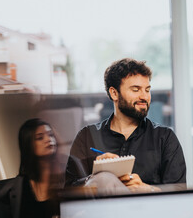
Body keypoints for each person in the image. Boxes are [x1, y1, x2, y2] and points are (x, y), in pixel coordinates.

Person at [65, 58, 186, 192]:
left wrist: (147, 189)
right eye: (136, 90)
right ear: (114, 93)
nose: (144, 97)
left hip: (149, 211)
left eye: (147, 90)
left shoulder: (165, 138)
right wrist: (94, 179)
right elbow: (69, 191)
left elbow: (179, 194)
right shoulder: (87, 137)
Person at [0, 118, 60, 218]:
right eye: (40, 138)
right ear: (28, 144)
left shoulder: (68, 176)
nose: (48, 139)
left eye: (50, 135)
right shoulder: (14, 190)